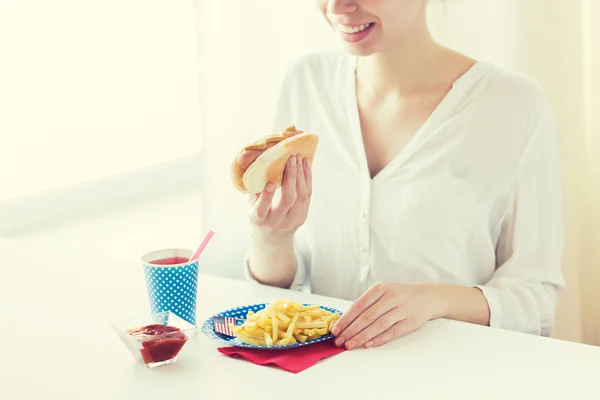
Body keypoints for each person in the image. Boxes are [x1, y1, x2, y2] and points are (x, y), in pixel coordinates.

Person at [242, 0, 565, 350]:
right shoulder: (306, 82)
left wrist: (433, 300)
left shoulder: (513, 105)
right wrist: (272, 239)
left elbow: (536, 298)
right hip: (326, 377)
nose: (337, 6)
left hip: (454, 374)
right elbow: (283, 291)